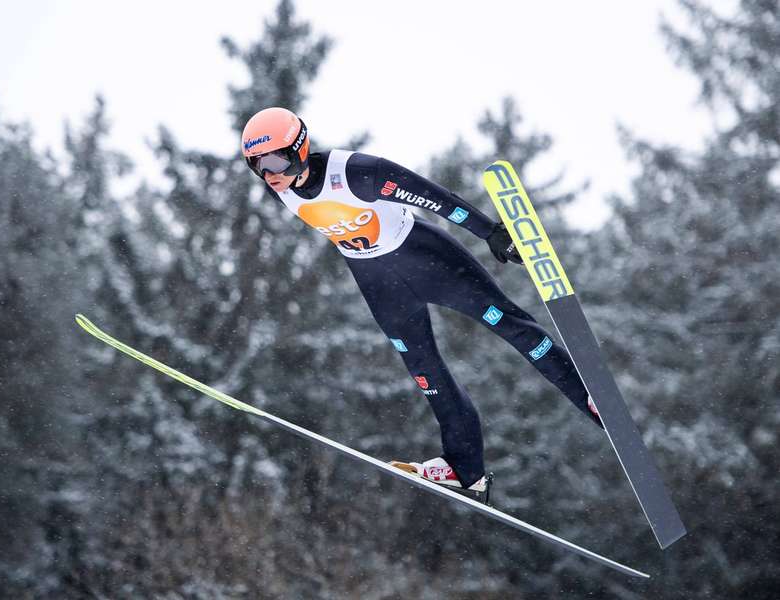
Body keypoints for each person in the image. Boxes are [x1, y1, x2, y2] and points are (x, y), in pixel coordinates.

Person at [241, 107, 601, 494]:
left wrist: (491, 233)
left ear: (299, 146)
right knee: (425, 372)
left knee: (511, 327)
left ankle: (590, 397)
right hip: (380, 287)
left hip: (429, 261)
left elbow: (436, 199)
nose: (269, 173)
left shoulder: (357, 173)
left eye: (276, 159)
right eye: (256, 166)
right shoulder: (283, 190)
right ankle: (466, 468)